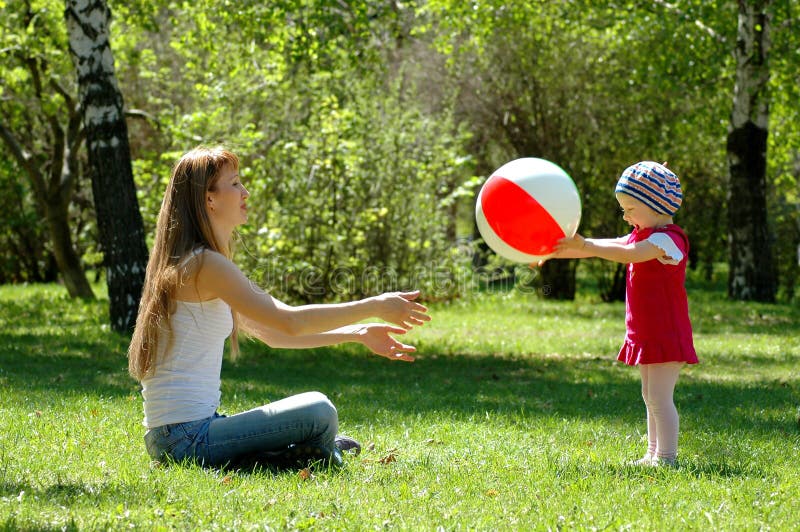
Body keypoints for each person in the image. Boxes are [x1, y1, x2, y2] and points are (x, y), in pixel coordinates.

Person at [128, 146, 431, 469]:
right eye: (234, 184)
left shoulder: (199, 263)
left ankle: (298, 451)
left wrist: (357, 334)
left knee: (315, 411)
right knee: (319, 410)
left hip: (181, 436)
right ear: (209, 199)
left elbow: (273, 333)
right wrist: (375, 305)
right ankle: (312, 451)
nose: (245, 192)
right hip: (187, 440)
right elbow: (289, 321)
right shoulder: (204, 265)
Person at [547, 161, 698, 467]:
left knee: (659, 398)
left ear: (656, 205)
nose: (626, 215)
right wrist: (556, 250)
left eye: (630, 207)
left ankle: (667, 458)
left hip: (667, 333)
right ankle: (653, 454)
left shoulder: (670, 239)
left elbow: (629, 254)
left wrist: (587, 244)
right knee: (649, 396)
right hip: (647, 333)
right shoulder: (639, 234)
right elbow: (607, 245)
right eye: (623, 209)